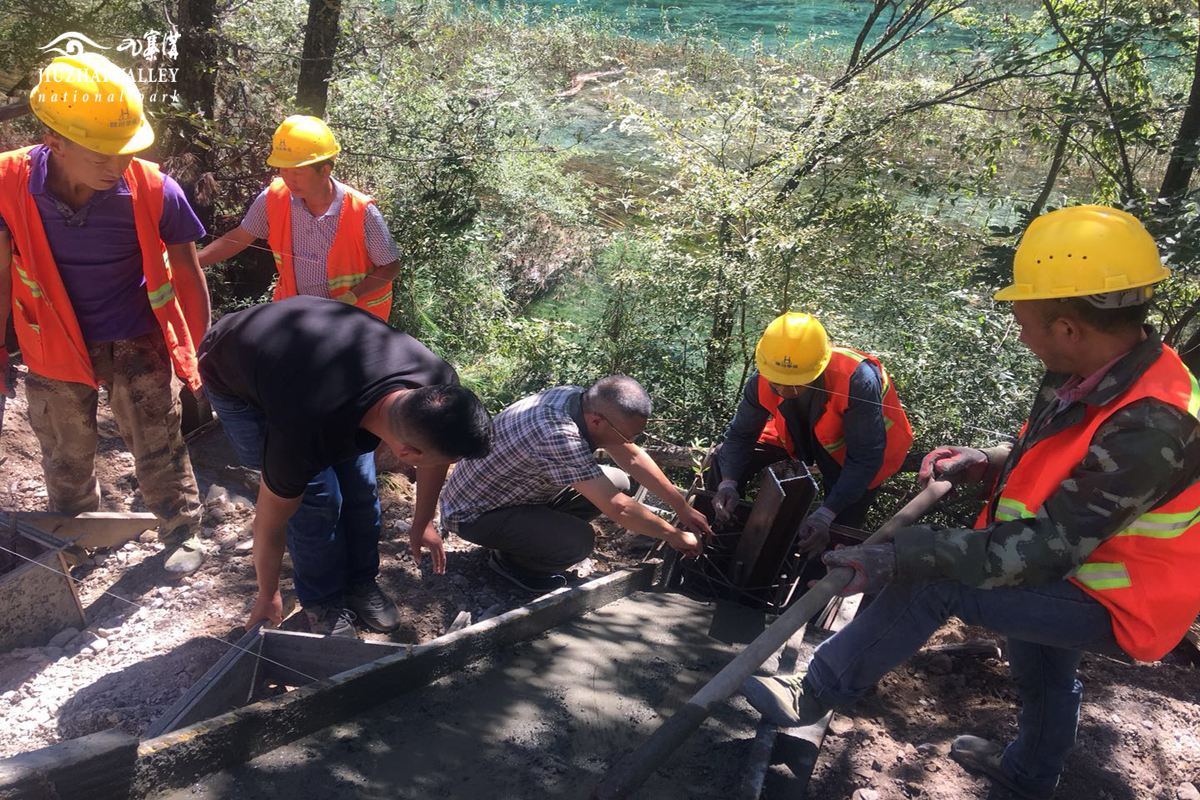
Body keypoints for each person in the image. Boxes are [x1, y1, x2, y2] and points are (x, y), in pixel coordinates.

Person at [740, 206, 1200, 799]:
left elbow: (1048, 548)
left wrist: (907, 554)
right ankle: (1029, 775)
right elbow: (1057, 456)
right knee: (1041, 667)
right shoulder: (1090, 371)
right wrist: (987, 460)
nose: (1017, 327)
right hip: (1075, 568)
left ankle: (814, 691)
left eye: (1023, 316)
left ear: (1067, 327)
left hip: (1119, 597)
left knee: (932, 582)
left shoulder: (1154, 424)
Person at [0, 53, 211, 574]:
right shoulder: (7, 182)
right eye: (101, 154)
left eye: (125, 150)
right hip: (51, 339)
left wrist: (194, 357)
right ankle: (74, 532)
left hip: (135, 335)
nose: (116, 165)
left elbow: (187, 276)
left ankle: (180, 527)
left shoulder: (156, 188)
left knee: (156, 434)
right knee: (64, 449)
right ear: (55, 141)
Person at [197, 296, 492, 636]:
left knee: (362, 493)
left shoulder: (441, 392)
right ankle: (322, 601)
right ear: (406, 452)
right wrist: (268, 595)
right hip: (232, 361)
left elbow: (435, 453)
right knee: (317, 503)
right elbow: (270, 521)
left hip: (312, 353)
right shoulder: (302, 432)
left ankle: (360, 582)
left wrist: (422, 521)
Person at [439, 376, 711, 592]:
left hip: (509, 494)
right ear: (597, 421)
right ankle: (513, 563)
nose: (628, 441)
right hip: (473, 515)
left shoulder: (576, 398)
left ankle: (532, 538)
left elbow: (632, 455)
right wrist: (673, 535)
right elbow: (620, 509)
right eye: (625, 435)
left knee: (617, 480)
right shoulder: (559, 434)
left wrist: (681, 507)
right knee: (580, 541)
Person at [709, 312, 913, 555]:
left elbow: (864, 458)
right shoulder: (762, 376)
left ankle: (817, 577)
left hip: (860, 450)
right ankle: (717, 541)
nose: (783, 390)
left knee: (839, 525)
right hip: (798, 432)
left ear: (819, 368)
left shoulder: (857, 378)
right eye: (777, 382)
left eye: (794, 383)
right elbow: (740, 436)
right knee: (724, 459)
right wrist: (727, 483)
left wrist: (826, 514)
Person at [197, 115, 401, 320]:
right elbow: (239, 238)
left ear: (324, 170)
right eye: (284, 169)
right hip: (295, 317)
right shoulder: (274, 198)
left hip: (353, 320)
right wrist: (192, 262)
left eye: (298, 172)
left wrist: (350, 298)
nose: (289, 178)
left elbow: (390, 266)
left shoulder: (361, 212)